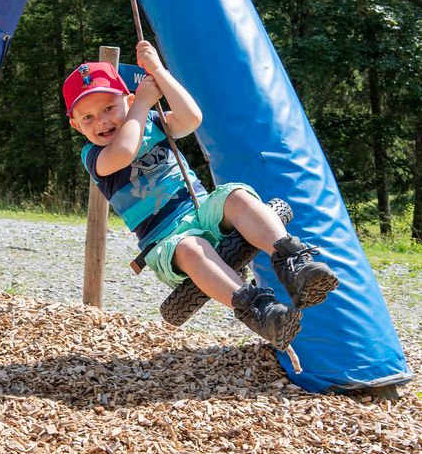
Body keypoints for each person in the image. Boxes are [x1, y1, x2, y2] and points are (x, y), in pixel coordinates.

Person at [62, 40, 338, 352]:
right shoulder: (94, 155)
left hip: (201, 208)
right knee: (192, 247)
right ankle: (261, 311)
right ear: (75, 125)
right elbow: (125, 152)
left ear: (126, 98)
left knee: (236, 195)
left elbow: (192, 117)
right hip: (165, 239)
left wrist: (158, 73)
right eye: (88, 117)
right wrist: (140, 105)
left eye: (110, 108)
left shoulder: (154, 122)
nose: (102, 121)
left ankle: (293, 262)